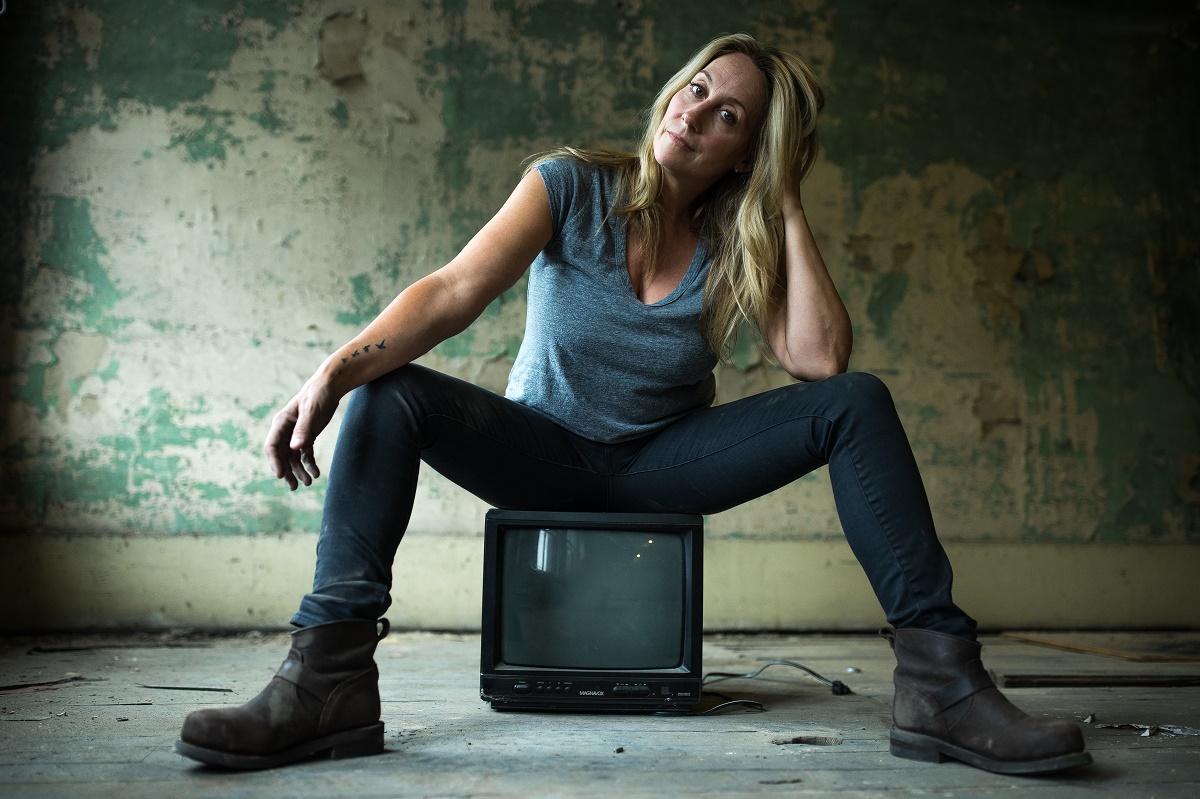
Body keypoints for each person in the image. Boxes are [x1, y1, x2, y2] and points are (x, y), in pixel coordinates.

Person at [175, 33, 1091, 775]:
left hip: (663, 467)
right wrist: (333, 371)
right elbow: (453, 290)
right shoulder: (570, 185)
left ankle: (943, 687)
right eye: (696, 88)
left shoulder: (737, 237)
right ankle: (327, 679)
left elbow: (818, 359)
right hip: (545, 454)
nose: (694, 112)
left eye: (728, 115)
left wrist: (783, 201)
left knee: (856, 402)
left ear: (748, 153)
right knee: (388, 391)